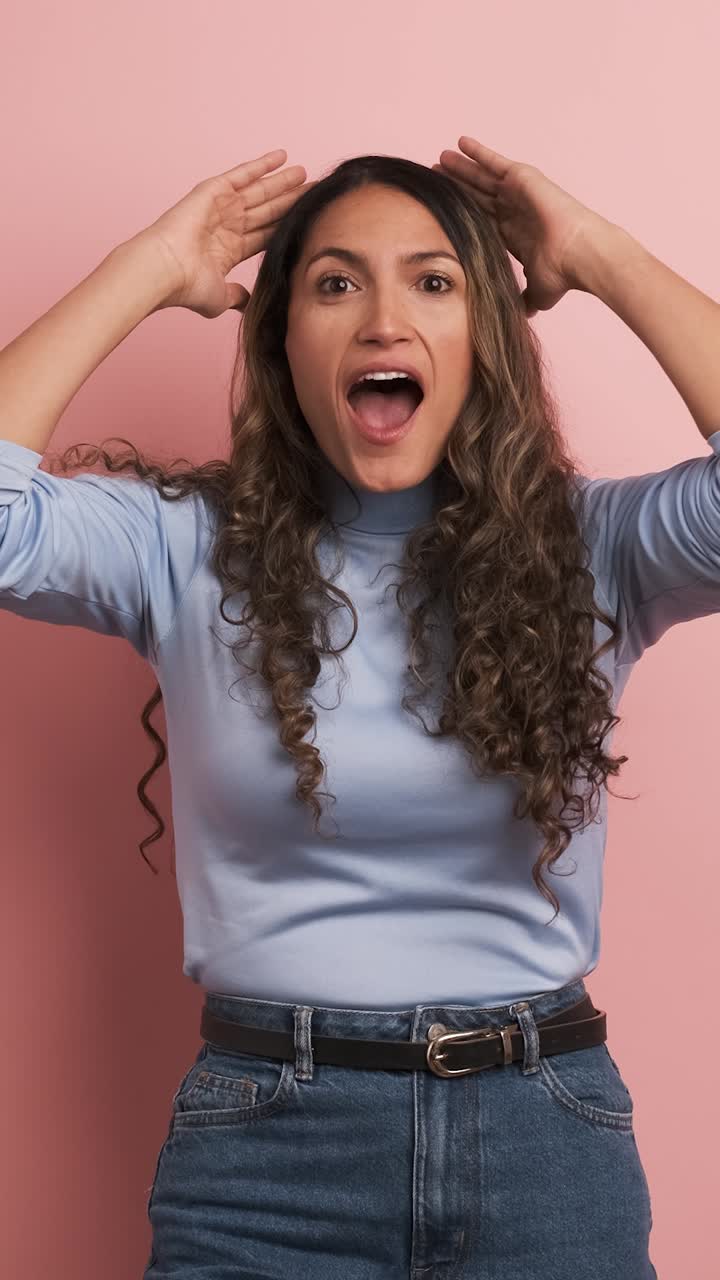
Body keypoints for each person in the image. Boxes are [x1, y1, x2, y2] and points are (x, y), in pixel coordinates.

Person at [8, 138, 717, 1277]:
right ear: (282, 341)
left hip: (545, 1138)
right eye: (336, 283)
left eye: (434, 282)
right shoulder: (181, 550)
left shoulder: (594, 549)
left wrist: (601, 255)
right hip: (263, 1158)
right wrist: (147, 267)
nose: (385, 320)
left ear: (485, 337)